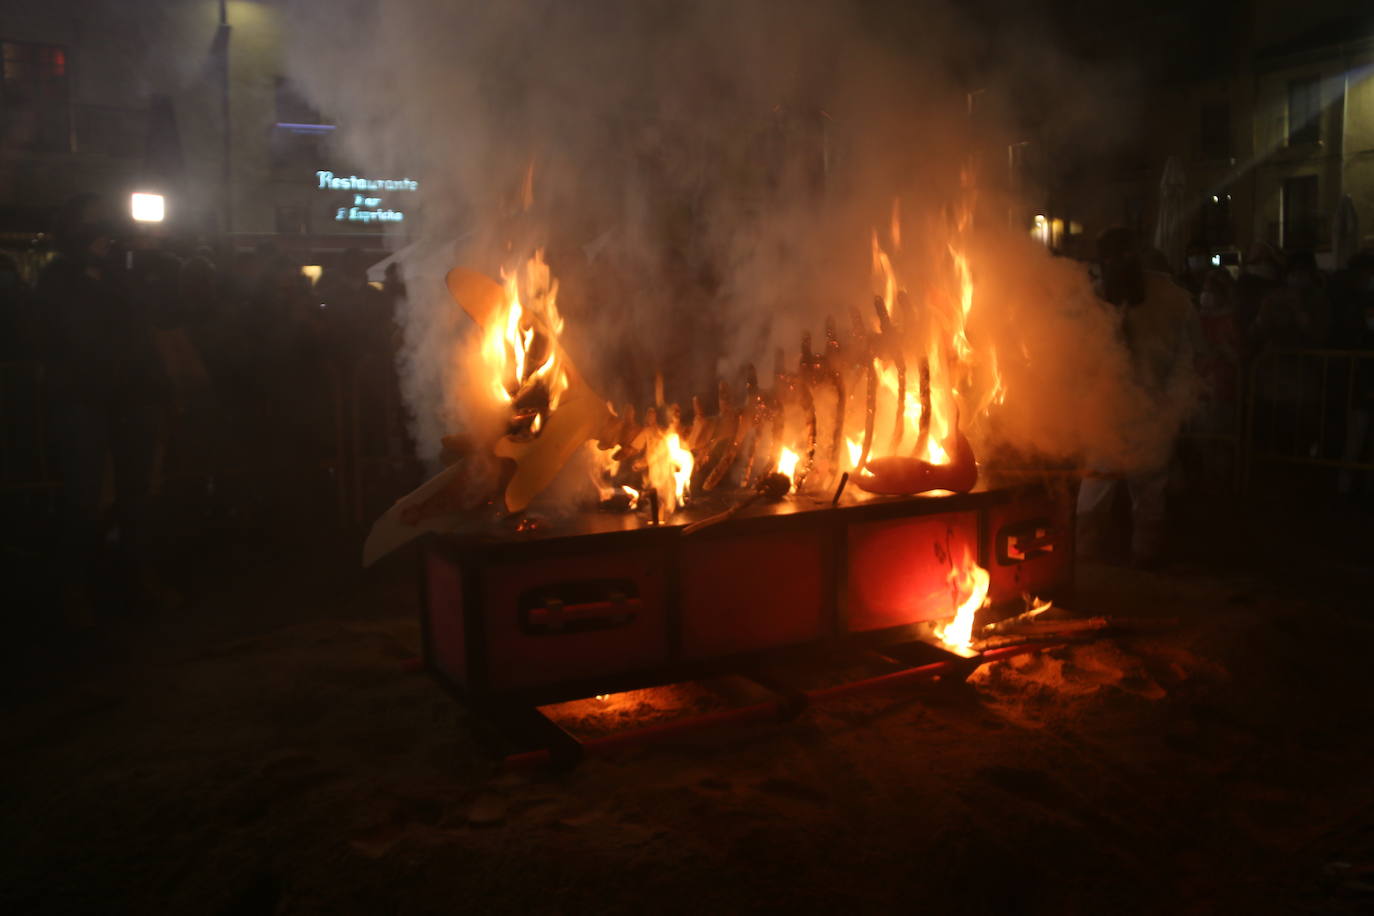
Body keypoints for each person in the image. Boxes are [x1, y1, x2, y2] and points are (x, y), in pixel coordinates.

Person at [36, 194, 170, 623]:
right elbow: (74, 336)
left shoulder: (121, 276)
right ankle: (72, 590)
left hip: (130, 398)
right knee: (82, 498)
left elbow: (149, 324)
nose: (103, 236)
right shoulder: (57, 279)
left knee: (137, 496)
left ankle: (137, 581)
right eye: (93, 228)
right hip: (83, 399)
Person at [1077, 226, 1200, 567]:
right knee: (1094, 493)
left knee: (1149, 494)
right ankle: (1084, 560)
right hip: (1107, 411)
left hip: (1152, 410)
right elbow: (1075, 358)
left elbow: (1186, 359)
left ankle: (1146, 558)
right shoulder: (1092, 300)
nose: (1117, 265)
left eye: (1124, 257)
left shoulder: (1171, 300)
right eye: (1110, 259)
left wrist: (1171, 408)